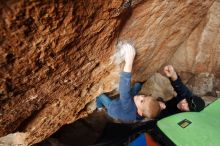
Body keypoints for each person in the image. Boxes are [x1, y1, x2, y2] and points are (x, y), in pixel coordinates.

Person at [96, 42, 161, 123]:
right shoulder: (143, 112)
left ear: (140, 112)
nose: (141, 96)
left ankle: (99, 107)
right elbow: (144, 104)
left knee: (100, 96)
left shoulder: (129, 109)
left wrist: (129, 62)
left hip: (113, 108)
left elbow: (124, 91)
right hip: (129, 104)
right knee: (137, 86)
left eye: (142, 101)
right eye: (144, 96)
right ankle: (139, 85)